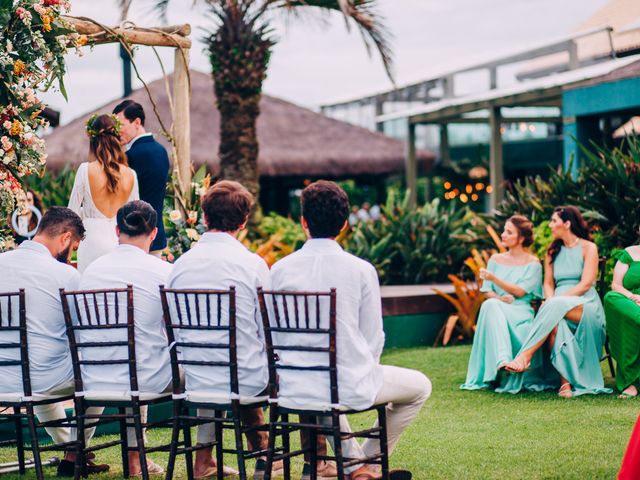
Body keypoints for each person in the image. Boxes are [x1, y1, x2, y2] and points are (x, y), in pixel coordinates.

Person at [270, 180, 431, 480]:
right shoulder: (360, 269)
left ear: (303, 221)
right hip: (344, 382)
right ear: (345, 224)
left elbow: (274, 334)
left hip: (293, 383)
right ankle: (366, 467)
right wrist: (361, 369)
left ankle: (358, 468)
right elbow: (373, 337)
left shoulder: (279, 269)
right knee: (420, 386)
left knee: (323, 387)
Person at [167, 180, 281, 479]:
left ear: (204, 218)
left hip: (195, 378)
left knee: (216, 363)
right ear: (243, 221)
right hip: (244, 378)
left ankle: (207, 458)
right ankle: (264, 453)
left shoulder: (179, 266)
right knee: (248, 361)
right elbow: (268, 329)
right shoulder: (252, 264)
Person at [0, 207, 108, 476]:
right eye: (72, 248)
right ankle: (74, 451)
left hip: (4, 378)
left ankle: (71, 450)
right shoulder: (66, 276)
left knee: (40, 369)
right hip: (44, 378)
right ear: (65, 237)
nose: (70, 256)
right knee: (102, 369)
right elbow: (86, 330)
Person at [78, 200, 172, 475]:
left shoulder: (91, 271)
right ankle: (203, 455)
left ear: (117, 231)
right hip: (146, 376)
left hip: (94, 375)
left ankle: (123, 456)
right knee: (195, 364)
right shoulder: (163, 271)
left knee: (134, 358)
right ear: (154, 233)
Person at [503, 206, 611, 398]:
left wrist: (556, 301)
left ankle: (525, 356)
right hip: (557, 306)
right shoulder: (552, 250)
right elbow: (548, 283)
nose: (551, 225)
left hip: (584, 305)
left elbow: (586, 284)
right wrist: (551, 299)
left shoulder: (588, 248)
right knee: (556, 321)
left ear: (567, 223)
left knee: (553, 308)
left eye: (554, 221)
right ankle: (565, 384)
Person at [461, 215, 555, 393]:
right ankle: (502, 360)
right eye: (504, 230)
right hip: (498, 307)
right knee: (490, 305)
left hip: (520, 310)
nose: (503, 235)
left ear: (521, 238)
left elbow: (520, 292)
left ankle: (505, 361)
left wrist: (494, 278)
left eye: (509, 232)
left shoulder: (533, 264)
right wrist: (497, 297)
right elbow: (487, 290)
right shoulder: (495, 259)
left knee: (491, 307)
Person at [68, 114, 139, 272]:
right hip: (120, 242)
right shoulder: (131, 174)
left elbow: (71, 213)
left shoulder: (85, 170)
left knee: (90, 292)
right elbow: (134, 216)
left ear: (93, 140)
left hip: (91, 241)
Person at [113, 100, 170, 256]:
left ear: (137, 122)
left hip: (135, 238)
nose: (117, 131)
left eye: (120, 125)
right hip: (157, 236)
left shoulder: (131, 156)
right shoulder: (161, 151)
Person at [604, 238, 640, 398]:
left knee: (633, 325)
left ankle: (632, 383)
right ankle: (631, 383)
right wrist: (633, 297)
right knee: (610, 297)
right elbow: (616, 285)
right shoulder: (628, 253)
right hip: (628, 301)